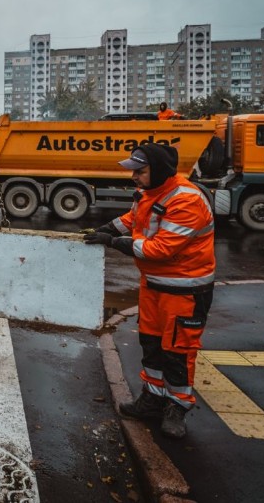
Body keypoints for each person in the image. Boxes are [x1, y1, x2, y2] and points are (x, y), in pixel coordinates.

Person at [83, 142, 215, 438]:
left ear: (159, 171)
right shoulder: (148, 193)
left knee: (177, 351)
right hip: (154, 286)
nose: (134, 177)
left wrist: (114, 242)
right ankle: (152, 399)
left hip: (184, 292)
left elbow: (160, 249)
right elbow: (133, 220)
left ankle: (177, 406)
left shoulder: (187, 200)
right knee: (152, 345)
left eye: (140, 171)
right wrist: (106, 229)